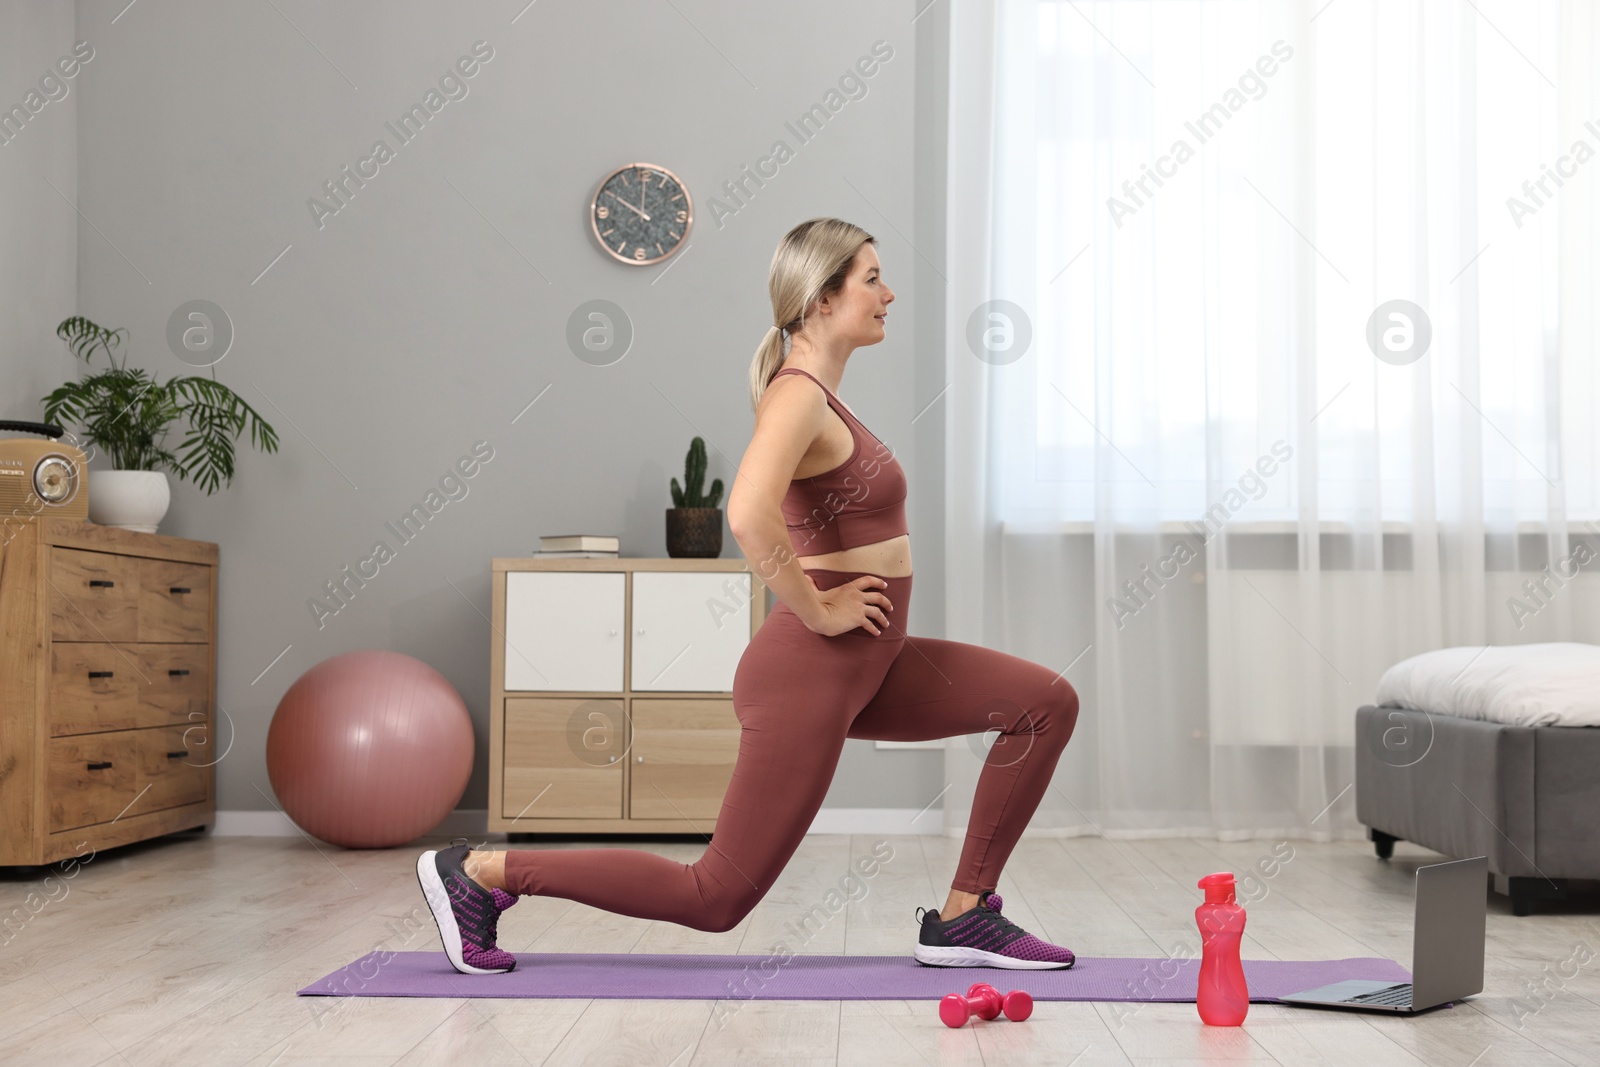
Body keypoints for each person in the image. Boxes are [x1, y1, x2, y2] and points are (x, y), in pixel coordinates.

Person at [416, 217, 1081, 975]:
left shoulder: (822, 395)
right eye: (872, 278)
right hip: (813, 668)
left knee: (1042, 704)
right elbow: (746, 509)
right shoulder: (798, 394)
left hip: (867, 660)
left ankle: (965, 917)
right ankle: (479, 872)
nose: (889, 293)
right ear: (823, 297)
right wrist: (821, 607)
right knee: (715, 896)